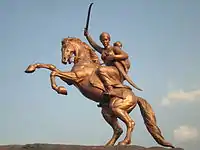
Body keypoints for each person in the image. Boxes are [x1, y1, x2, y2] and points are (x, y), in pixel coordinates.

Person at [84, 30, 130, 98]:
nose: (104, 42)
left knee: (100, 70)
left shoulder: (114, 48)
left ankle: (110, 89)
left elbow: (125, 55)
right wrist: (87, 36)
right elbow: (94, 45)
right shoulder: (103, 50)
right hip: (109, 71)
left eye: (106, 40)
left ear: (109, 40)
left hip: (116, 71)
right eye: (102, 40)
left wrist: (114, 57)